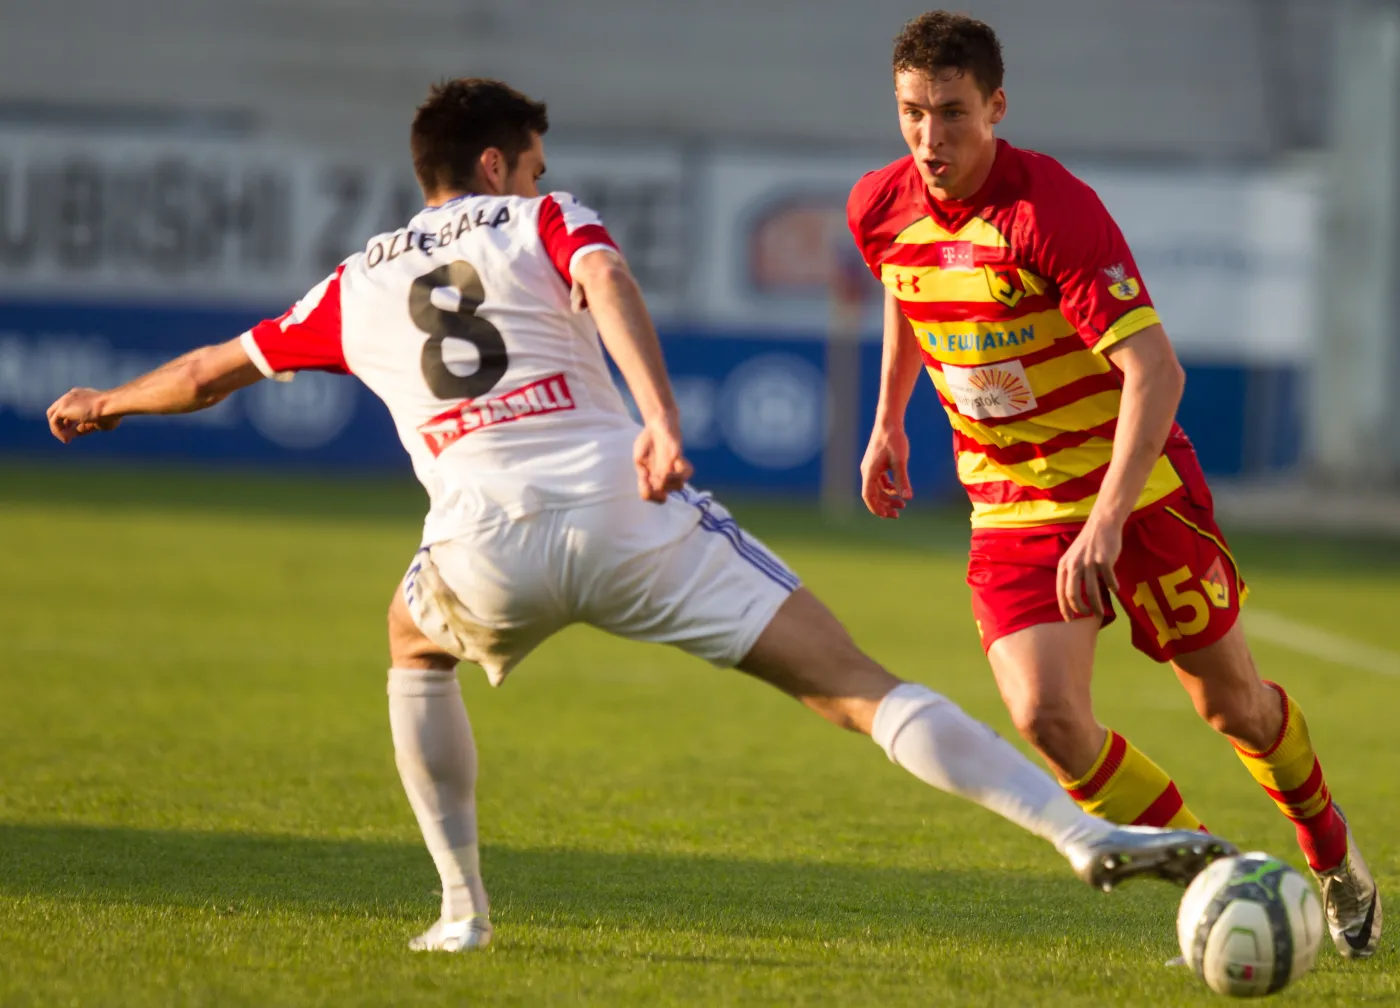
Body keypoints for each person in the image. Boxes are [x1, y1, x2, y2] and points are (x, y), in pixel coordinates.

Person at [47, 77, 1232, 954]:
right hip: (630, 508)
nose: (545, 175)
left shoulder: (352, 280)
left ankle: (460, 911)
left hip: (476, 545)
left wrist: (110, 402)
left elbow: (209, 369)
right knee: (859, 689)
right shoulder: (540, 219)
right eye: (539, 160)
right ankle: (1077, 834)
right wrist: (660, 417)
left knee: (410, 649)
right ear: (507, 164)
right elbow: (605, 279)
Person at [850, 12, 1380, 960]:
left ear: (997, 108)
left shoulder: (1049, 210)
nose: (931, 138)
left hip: (1132, 493)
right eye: (912, 113)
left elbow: (1156, 372)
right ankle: (1222, 875)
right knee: (1049, 720)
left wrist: (1103, 520)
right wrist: (890, 419)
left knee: (1235, 708)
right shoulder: (879, 205)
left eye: (953, 114)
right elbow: (902, 285)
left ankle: (1333, 855)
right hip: (1011, 501)